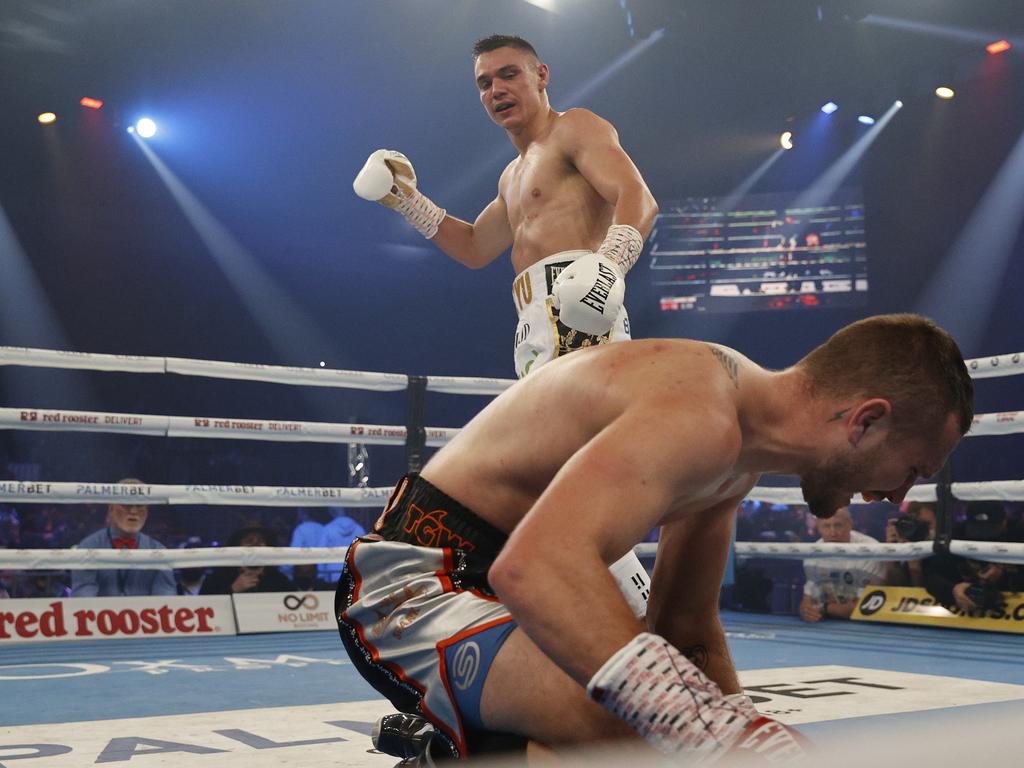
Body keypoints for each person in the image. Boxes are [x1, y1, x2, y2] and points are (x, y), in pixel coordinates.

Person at [335, 314, 974, 762]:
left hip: (510, 601)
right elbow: (535, 569)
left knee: (669, 725)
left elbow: (686, 628)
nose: (899, 497)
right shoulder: (699, 407)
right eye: (913, 470)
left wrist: (741, 739)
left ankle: (450, 746)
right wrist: (718, 734)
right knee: (635, 726)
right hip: (415, 586)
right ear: (867, 421)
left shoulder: (737, 456)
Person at [353, 34, 659, 379]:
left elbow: (637, 196)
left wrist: (609, 269)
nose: (496, 90)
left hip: (582, 309)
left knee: (576, 429)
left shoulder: (573, 127)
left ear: (541, 75)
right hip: (532, 321)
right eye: (485, 83)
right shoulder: (510, 177)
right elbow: (474, 247)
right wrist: (407, 200)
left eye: (509, 75)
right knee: (549, 432)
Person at [71, 480, 176, 597]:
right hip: (100, 614)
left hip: (146, 614)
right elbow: (83, 600)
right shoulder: (88, 546)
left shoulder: (159, 550)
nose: (133, 511)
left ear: (146, 512)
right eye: (126, 504)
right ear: (111, 509)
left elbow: (166, 602)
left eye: (140, 505)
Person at [798, 506, 886, 622]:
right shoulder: (814, 554)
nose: (833, 533)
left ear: (850, 524)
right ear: (818, 527)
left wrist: (825, 608)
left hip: (870, 625)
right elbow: (808, 601)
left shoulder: (869, 550)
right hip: (829, 625)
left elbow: (864, 606)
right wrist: (807, 612)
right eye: (826, 526)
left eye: (838, 525)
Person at [201, 525, 293, 595]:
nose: (255, 544)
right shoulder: (218, 578)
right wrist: (233, 589)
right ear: (237, 546)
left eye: (260, 541)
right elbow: (203, 609)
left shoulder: (279, 580)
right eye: (249, 541)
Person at [883, 501, 937, 587]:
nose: (920, 530)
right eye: (916, 525)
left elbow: (925, 597)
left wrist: (915, 568)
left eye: (926, 525)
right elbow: (893, 593)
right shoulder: (908, 541)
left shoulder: (950, 551)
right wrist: (893, 553)